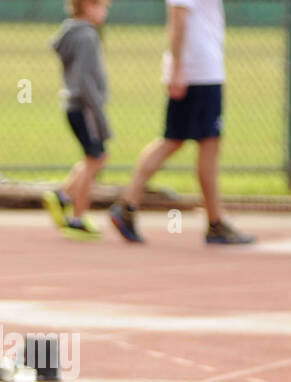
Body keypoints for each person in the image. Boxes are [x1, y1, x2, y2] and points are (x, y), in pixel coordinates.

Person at [108, 0, 253, 245]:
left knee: (180, 141)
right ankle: (215, 222)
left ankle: (128, 204)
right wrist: (177, 68)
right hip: (198, 72)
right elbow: (178, 17)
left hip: (199, 70)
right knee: (202, 143)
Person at [43, 0, 112, 241]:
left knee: (95, 157)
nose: (106, 11)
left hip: (74, 106)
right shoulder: (86, 37)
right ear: (88, 7)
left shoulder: (72, 33)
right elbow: (84, 79)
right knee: (96, 158)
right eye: (103, 6)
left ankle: (63, 197)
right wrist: (98, 111)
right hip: (84, 107)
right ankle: (77, 217)